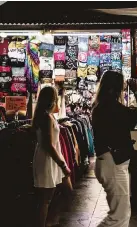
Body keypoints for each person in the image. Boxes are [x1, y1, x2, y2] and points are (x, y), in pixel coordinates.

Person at [92, 71, 137, 227]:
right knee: (119, 217)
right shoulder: (112, 108)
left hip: (108, 161)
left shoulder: (101, 107)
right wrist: (136, 91)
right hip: (113, 163)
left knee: (120, 213)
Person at [32, 86, 71, 227]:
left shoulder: (45, 116)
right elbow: (48, 145)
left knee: (52, 197)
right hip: (48, 159)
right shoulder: (46, 117)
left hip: (50, 158)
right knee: (45, 200)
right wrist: (62, 163)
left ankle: (50, 221)